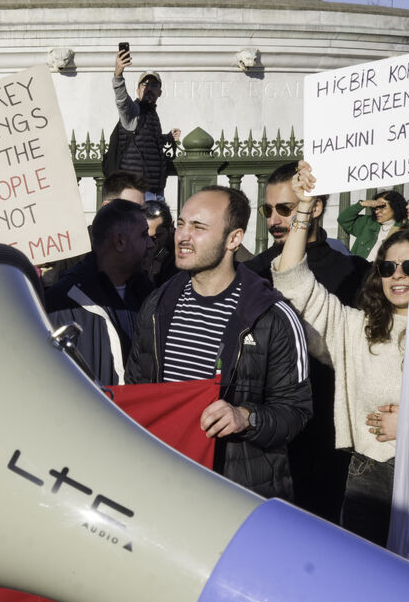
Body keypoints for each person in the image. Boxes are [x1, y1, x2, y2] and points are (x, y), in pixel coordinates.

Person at [271, 162, 409, 545]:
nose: (397, 275)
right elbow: (293, 283)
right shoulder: (357, 327)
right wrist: (303, 207)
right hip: (370, 477)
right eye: (387, 267)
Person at [126, 185, 312, 500]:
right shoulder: (157, 305)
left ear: (233, 239)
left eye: (198, 227)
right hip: (164, 485)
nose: (183, 236)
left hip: (238, 492)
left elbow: (295, 412)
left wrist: (245, 417)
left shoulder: (272, 315)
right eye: (181, 224)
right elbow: (138, 389)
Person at [245, 162, 368, 526]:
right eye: (267, 210)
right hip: (268, 430)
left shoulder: (356, 272)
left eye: (285, 208)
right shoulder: (251, 273)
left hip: (331, 433)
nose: (274, 220)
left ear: (313, 208)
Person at [44, 199, 153, 385]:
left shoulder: (149, 293)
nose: (151, 244)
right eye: (144, 235)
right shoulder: (62, 302)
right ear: (120, 242)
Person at [109, 48, 180, 199]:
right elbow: (121, 100)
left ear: (160, 92)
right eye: (144, 84)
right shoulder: (133, 111)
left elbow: (147, 140)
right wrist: (118, 75)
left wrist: (167, 137)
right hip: (137, 191)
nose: (148, 88)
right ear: (138, 90)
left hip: (156, 190)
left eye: (154, 85)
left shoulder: (151, 114)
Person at [337, 190, 406, 261]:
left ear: (395, 207)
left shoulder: (403, 230)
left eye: (382, 207)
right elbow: (343, 219)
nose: (377, 211)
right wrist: (363, 204)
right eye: (376, 208)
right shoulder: (368, 223)